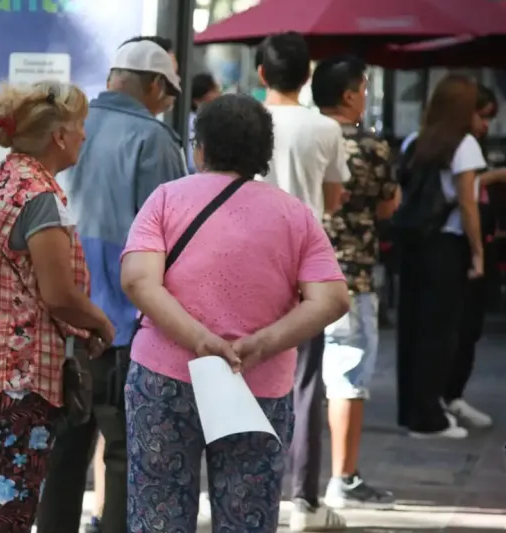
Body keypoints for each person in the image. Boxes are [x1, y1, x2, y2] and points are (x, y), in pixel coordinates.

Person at [120, 92, 350, 532]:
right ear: (263, 153)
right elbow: (332, 299)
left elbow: (138, 280)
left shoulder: (167, 199)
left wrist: (199, 339)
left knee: (158, 509)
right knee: (247, 515)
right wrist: (261, 343)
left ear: (200, 147)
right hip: (256, 384)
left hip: (165, 379)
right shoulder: (295, 215)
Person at [0, 80, 115, 533]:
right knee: (12, 510)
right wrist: (100, 322)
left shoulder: (3, 176)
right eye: (81, 127)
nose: (84, 136)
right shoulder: (38, 195)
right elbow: (58, 294)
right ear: (60, 135)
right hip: (15, 373)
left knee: (2, 497)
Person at [36, 38, 185, 533]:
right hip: (122, 328)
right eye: (170, 93)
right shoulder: (155, 140)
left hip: (58, 325)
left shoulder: (66, 130)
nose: (168, 104)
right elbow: (169, 244)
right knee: (122, 453)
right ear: (156, 85)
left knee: (61, 452)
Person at [255, 32, 350, 531]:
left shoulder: (247, 122)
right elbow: (334, 199)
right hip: (306, 265)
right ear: (308, 76)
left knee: (247, 373)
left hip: (250, 261)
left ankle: (252, 486)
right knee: (306, 383)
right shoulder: (325, 129)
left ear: (260, 74)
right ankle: (303, 502)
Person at [310, 55, 401, 509]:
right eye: (364, 90)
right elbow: (387, 208)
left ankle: (299, 475)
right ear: (348, 95)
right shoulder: (371, 147)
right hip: (351, 275)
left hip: (299, 275)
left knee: (300, 379)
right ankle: (342, 477)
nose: (365, 97)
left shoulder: (303, 138)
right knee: (348, 375)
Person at [396, 74, 487, 439]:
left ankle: (412, 411)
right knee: (441, 332)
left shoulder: (413, 142)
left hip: (414, 244)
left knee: (413, 328)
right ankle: (430, 417)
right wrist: (478, 251)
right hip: (446, 246)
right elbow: (468, 204)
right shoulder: (464, 145)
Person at [443, 84, 505, 429]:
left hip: (472, 243)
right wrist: (478, 254)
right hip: (462, 245)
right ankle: (449, 396)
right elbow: (467, 197)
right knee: (461, 327)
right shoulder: (461, 145)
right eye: (482, 116)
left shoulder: (464, 143)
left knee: (467, 327)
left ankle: (452, 395)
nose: (485, 126)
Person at [187, 73, 221, 173]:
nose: (219, 93)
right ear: (197, 100)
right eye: (214, 90)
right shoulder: (191, 124)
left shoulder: (214, 121)